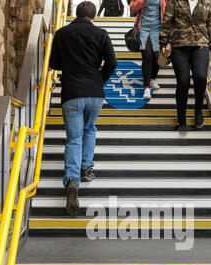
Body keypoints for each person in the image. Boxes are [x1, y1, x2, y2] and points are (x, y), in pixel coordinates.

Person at [49, 1, 117, 216]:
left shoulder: (62, 33)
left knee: (74, 138)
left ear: (76, 14)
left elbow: (54, 64)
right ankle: (86, 168)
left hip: (71, 93)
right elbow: (112, 62)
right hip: (95, 93)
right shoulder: (101, 33)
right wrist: (99, 79)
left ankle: (71, 180)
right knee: (90, 130)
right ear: (94, 16)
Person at [160, 0, 211, 132]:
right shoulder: (175, 1)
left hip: (201, 44)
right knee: (183, 81)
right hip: (179, 45)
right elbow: (167, 22)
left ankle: (198, 111)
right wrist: (163, 43)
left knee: (201, 77)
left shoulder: (207, 2)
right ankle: (181, 118)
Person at [130, 0, 168, 100]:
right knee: (147, 56)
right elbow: (132, 8)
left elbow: (168, 10)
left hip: (158, 29)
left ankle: (152, 79)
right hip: (143, 28)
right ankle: (146, 87)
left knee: (157, 56)